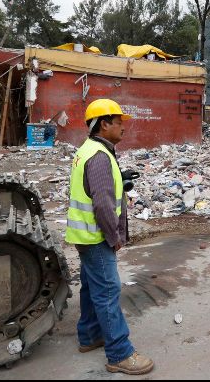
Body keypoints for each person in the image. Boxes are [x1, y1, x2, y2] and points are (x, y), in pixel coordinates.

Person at [65, 98, 154, 375]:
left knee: (92, 287)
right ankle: (119, 352)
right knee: (107, 291)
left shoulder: (89, 150)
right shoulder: (100, 156)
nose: (123, 127)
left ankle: (90, 336)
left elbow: (96, 188)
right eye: (118, 122)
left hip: (84, 235)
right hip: (96, 237)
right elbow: (103, 203)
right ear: (104, 124)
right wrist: (114, 235)